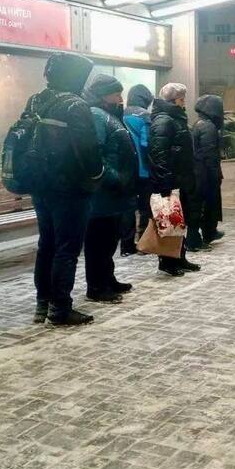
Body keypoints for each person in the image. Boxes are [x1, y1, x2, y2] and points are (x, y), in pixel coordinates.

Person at [27, 53, 104, 326]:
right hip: (70, 188)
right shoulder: (75, 105)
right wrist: (96, 176)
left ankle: (42, 303)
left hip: (41, 186)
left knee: (46, 244)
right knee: (67, 248)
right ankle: (60, 308)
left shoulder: (36, 100)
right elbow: (88, 150)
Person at [82, 75, 139, 302]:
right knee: (99, 241)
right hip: (102, 193)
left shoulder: (109, 115)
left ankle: (108, 278)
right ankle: (96, 286)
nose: (120, 99)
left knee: (109, 239)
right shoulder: (96, 116)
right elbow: (95, 154)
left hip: (113, 194)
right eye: (116, 94)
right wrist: (115, 178)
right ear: (104, 95)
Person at [148, 82, 202, 273]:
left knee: (179, 221)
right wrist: (165, 183)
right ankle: (167, 262)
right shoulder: (164, 120)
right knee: (169, 222)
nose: (184, 102)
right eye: (181, 99)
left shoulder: (175, 118)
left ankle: (180, 257)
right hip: (170, 182)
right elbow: (158, 154)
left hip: (181, 179)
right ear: (172, 100)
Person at [121, 84, 154, 256]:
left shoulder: (121, 114)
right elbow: (146, 143)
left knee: (128, 207)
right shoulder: (145, 116)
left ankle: (126, 245)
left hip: (125, 170)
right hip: (143, 169)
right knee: (145, 207)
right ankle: (143, 242)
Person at [192, 94, 226, 244]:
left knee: (203, 204)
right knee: (209, 203)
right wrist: (215, 174)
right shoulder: (208, 126)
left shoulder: (199, 123)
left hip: (199, 172)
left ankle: (208, 231)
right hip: (206, 173)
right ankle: (209, 232)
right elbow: (209, 154)